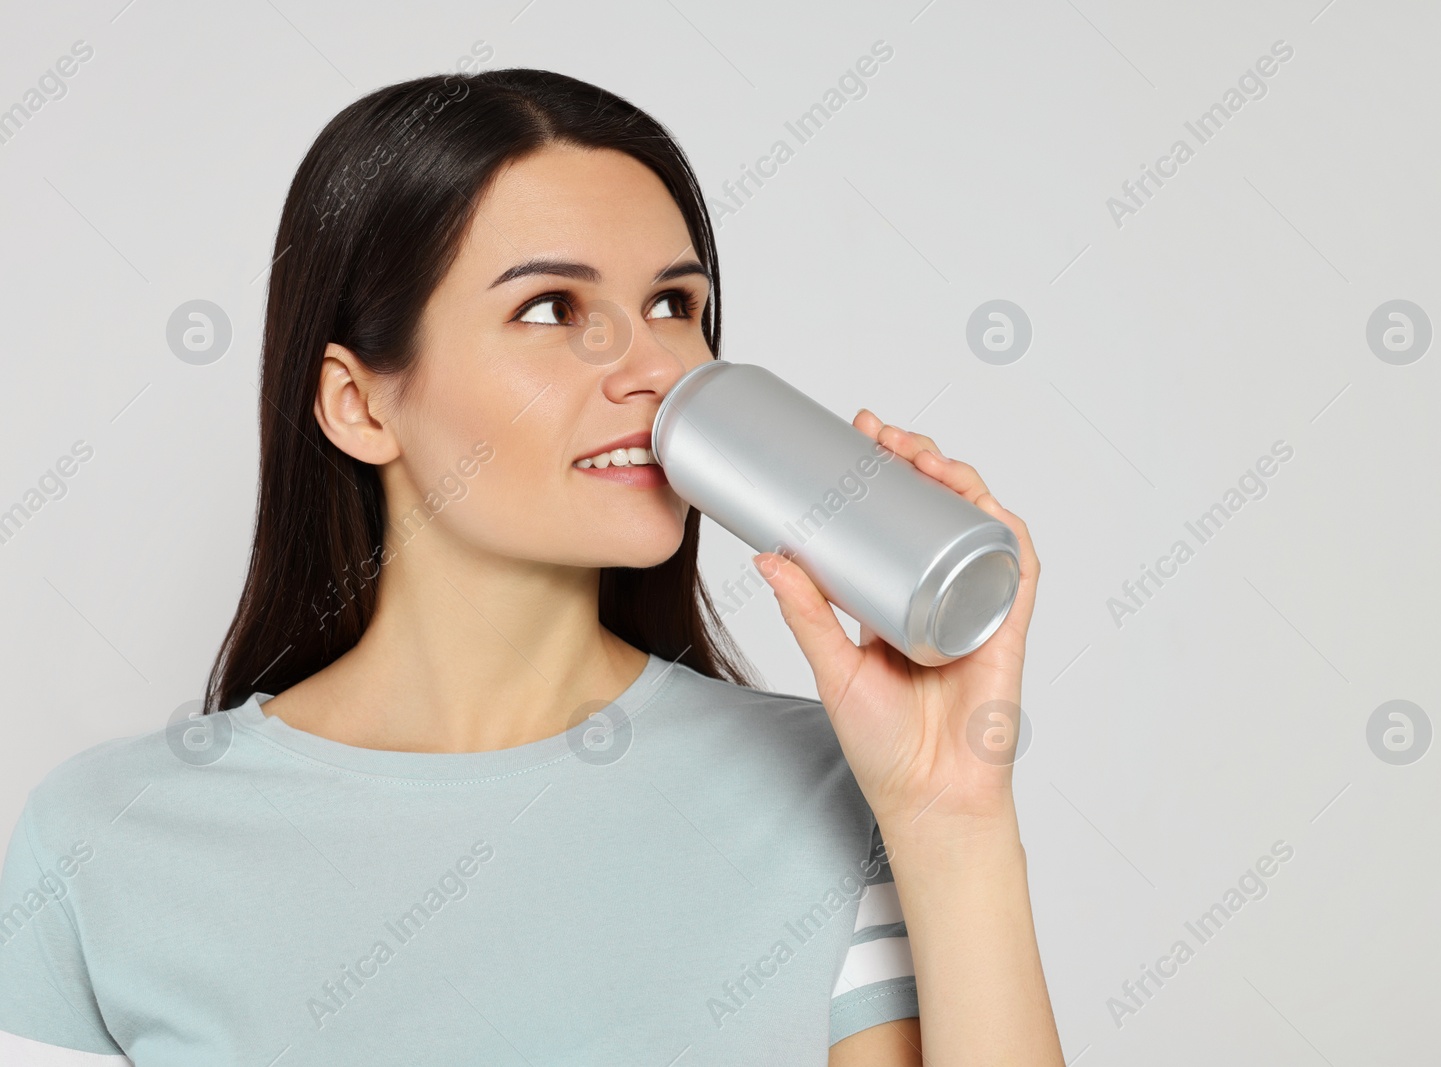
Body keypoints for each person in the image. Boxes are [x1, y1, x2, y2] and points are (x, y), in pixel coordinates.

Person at [0, 69, 1062, 1065]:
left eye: (673, 305)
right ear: (359, 403)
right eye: (552, 309)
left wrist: (952, 820)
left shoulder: (840, 788)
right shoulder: (105, 837)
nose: (653, 370)